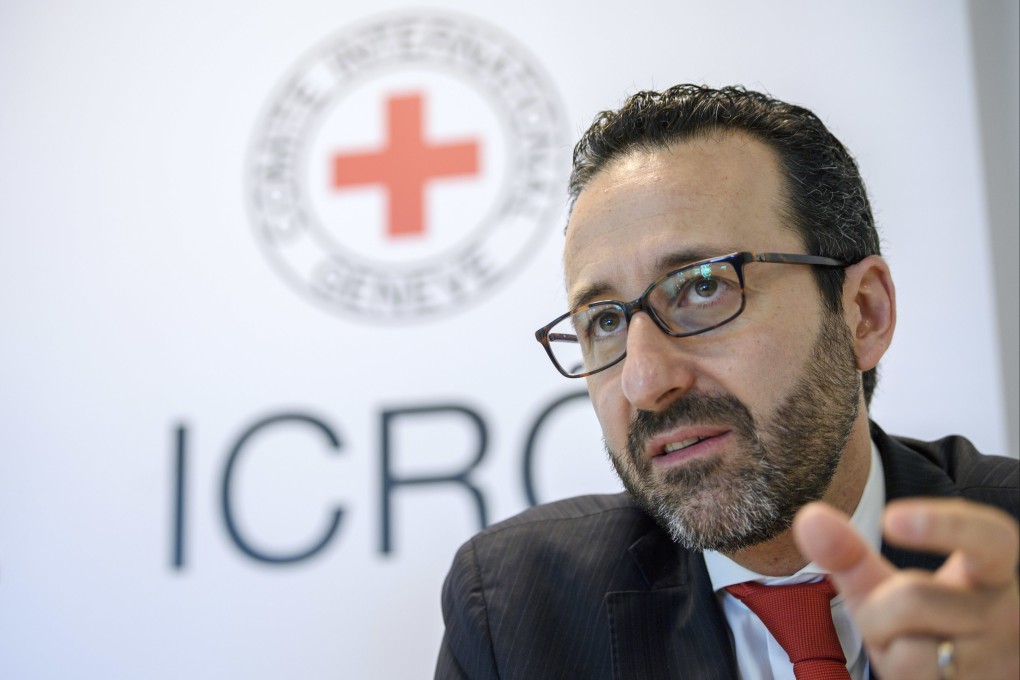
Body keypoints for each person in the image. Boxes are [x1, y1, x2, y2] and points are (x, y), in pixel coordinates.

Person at [434, 84, 1019, 680]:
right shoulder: (516, 614)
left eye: (703, 287)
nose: (644, 380)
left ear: (863, 313)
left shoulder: (1008, 568)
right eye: (605, 321)